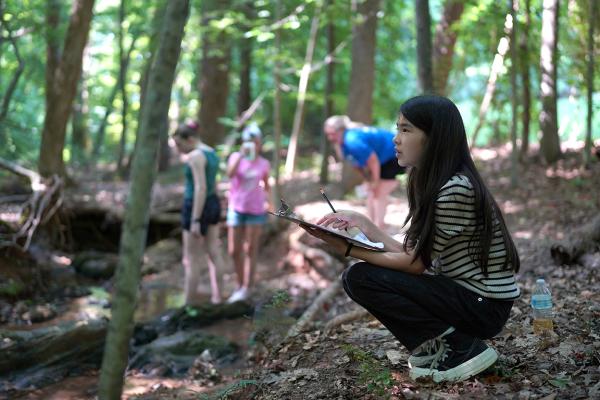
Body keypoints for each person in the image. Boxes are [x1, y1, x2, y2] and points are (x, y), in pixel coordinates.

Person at [305, 95, 520, 383]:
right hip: (468, 296)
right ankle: (444, 344)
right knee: (357, 277)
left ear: (434, 138)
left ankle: (459, 346)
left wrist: (349, 248)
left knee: (361, 277)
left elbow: (416, 264)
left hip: (484, 305)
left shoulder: (455, 189)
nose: (395, 139)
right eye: (397, 128)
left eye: (406, 130)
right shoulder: (431, 182)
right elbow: (412, 251)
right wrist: (364, 224)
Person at [173, 121, 224, 305]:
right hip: (212, 203)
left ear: (191, 139)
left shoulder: (195, 156)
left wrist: (195, 219)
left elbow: (201, 188)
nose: (179, 149)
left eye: (180, 144)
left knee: (191, 258)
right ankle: (218, 298)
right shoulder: (211, 152)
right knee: (213, 252)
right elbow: (212, 185)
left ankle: (188, 304)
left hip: (196, 205)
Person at [323, 115, 405, 230]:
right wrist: (368, 180)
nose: (330, 138)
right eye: (328, 134)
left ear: (341, 130)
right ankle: (372, 223)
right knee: (371, 190)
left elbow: (373, 160)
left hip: (394, 153)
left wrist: (375, 181)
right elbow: (356, 164)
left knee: (379, 191)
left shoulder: (352, 140)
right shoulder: (343, 144)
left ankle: (379, 226)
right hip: (383, 158)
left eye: (332, 133)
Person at [226, 123, 272, 303]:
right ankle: (239, 284)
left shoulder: (264, 163)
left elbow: (266, 185)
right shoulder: (236, 157)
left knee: (251, 249)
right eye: (249, 142)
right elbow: (229, 175)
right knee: (233, 250)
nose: (253, 145)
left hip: (256, 209)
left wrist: (270, 203)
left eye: (256, 142)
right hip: (236, 208)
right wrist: (240, 156)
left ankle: (248, 287)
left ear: (260, 143)